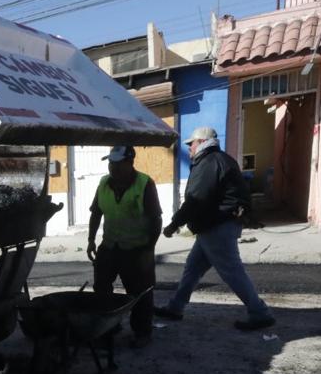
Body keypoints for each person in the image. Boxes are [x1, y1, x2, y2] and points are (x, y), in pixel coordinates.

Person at [155, 126, 275, 330]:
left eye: (191, 143)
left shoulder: (210, 162)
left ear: (202, 142)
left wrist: (174, 224)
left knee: (232, 271)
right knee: (193, 268)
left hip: (217, 226)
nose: (189, 147)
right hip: (213, 225)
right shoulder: (220, 159)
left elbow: (195, 200)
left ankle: (260, 313)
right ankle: (175, 307)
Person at [86, 145, 161, 348]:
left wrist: (149, 250)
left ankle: (142, 332)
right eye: (111, 163)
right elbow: (96, 213)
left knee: (140, 292)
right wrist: (91, 240)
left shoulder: (144, 184)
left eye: (118, 163)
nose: (113, 168)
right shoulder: (104, 183)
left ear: (130, 162)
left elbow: (155, 220)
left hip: (137, 248)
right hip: (110, 245)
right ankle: (108, 327)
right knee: (101, 288)